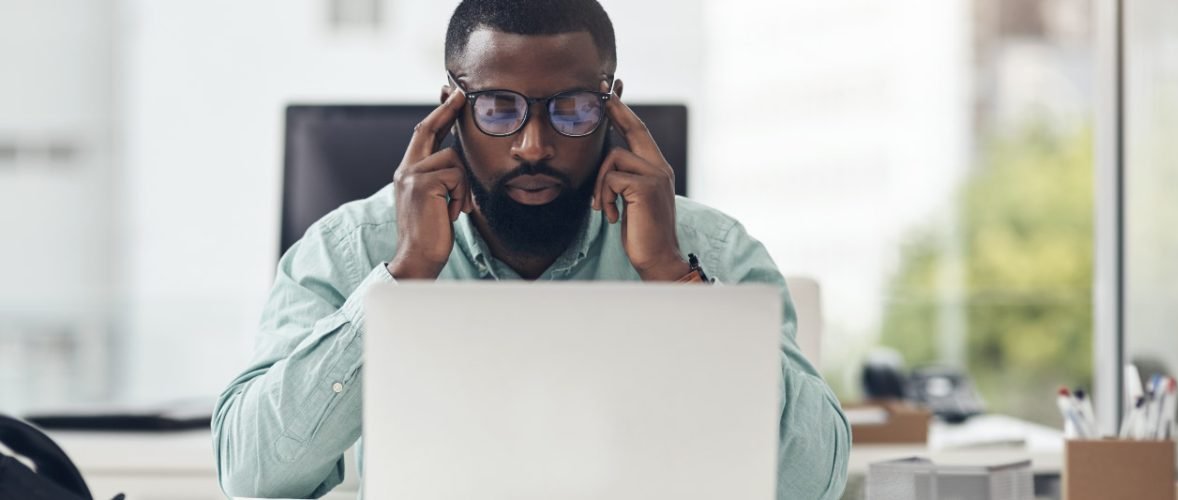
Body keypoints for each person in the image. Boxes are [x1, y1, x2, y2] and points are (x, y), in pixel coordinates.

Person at [212, 0, 849, 498]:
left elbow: (812, 484)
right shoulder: (352, 248)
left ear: (612, 106)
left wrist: (673, 279)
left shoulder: (709, 250)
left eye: (571, 108)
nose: (534, 146)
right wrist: (402, 281)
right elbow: (253, 476)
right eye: (497, 108)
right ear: (452, 110)